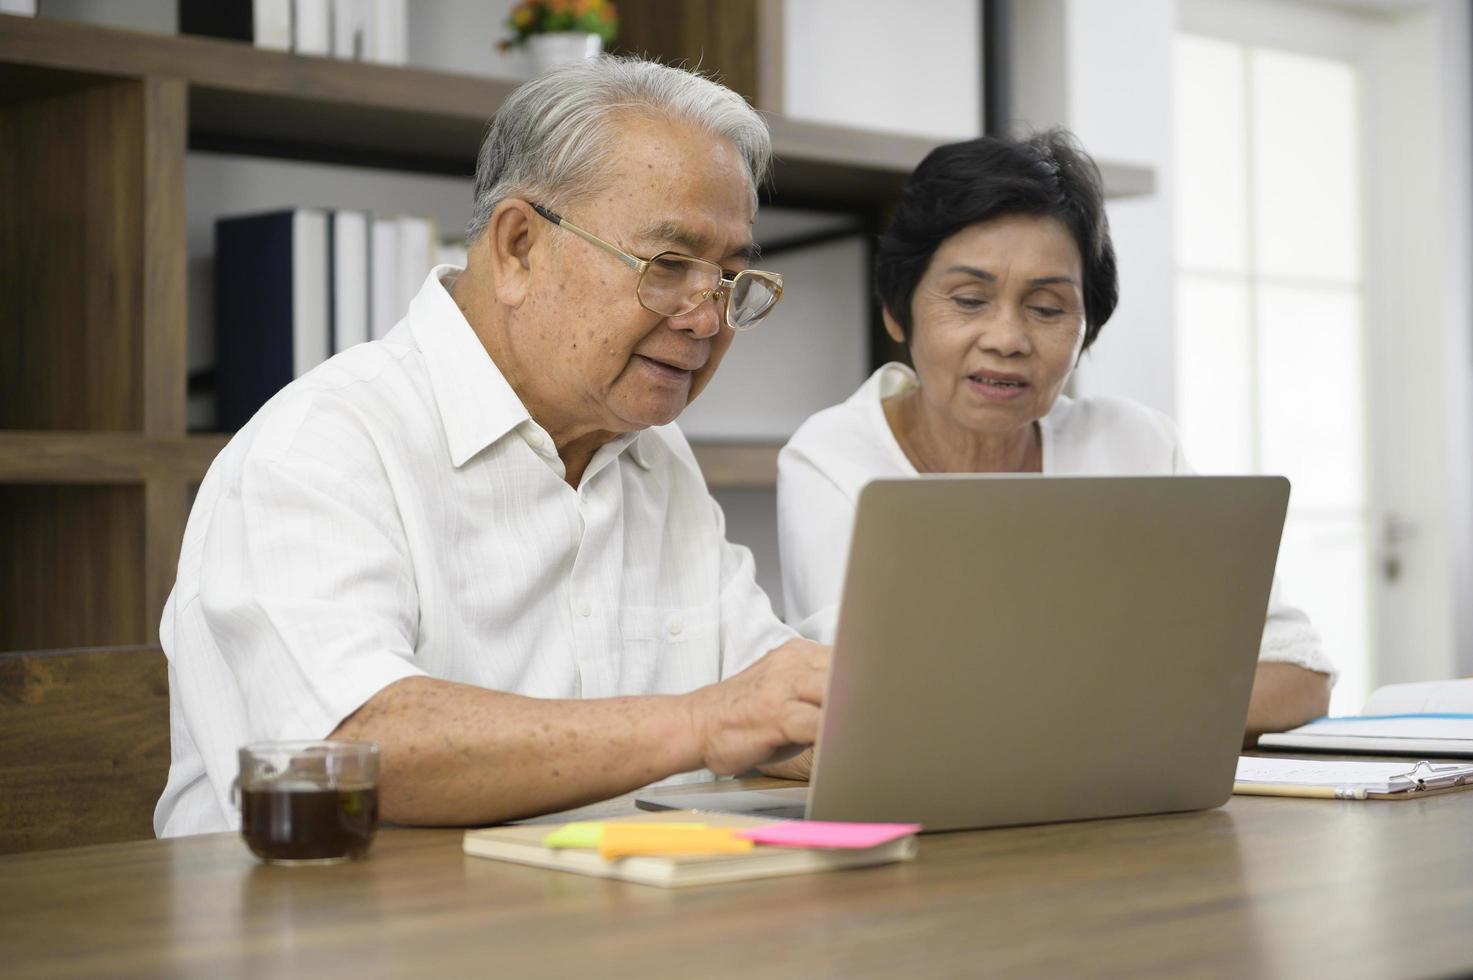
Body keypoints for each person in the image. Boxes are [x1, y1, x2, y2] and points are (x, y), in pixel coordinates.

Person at [155, 57, 829, 837]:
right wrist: (700, 723)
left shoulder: (654, 456)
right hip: (336, 937)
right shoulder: (322, 443)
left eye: (729, 280)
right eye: (669, 266)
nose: (707, 320)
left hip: (596, 922)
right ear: (518, 247)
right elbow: (345, 748)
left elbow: (760, 705)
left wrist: (889, 723)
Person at [777, 130, 1333, 744]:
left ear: (1084, 327)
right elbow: (863, 703)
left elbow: (1299, 674)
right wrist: (1158, 695)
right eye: (969, 300)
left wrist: (1078, 708)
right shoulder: (833, 458)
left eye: (1046, 309)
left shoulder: (1136, 446)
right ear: (896, 307)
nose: (1007, 338)